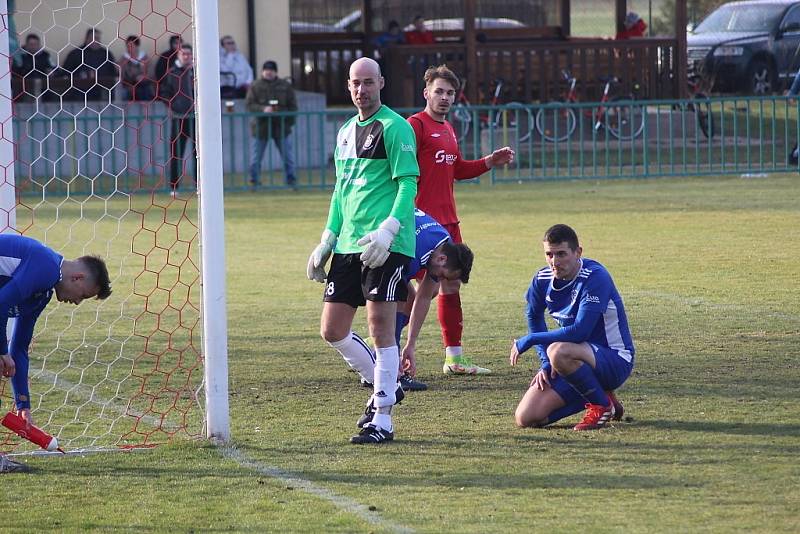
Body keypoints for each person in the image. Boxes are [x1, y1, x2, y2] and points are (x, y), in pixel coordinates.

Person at [306, 57, 419, 445]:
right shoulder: (342, 133)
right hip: (350, 246)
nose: (361, 90)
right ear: (348, 85)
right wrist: (327, 238)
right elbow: (341, 191)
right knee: (332, 329)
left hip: (387, 245)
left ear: (381, 83)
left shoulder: (395, 127)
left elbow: (407, 184)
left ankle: (383, 419)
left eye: (368, 82)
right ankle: (385, 384)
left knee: (380, 328)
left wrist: (390, 229)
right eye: (356, 83)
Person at [408, 64, 514, 375]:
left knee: (450, 286)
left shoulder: (449, 129)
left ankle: (454, 358)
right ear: (426, 92)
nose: (444, 97)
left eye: (450, 93)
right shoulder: (415, 126)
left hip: (449, 224)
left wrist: (488, 162)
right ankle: (391, 353)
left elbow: (455, 170)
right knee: (410, 291)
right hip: (422, 225)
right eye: (438, 91)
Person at [0, 234, 112, 473]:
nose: (78, 302)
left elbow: (19, 347)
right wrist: (1, 351)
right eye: (83, 295)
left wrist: (23, 403)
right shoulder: (46, 266)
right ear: (77, 277)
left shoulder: (43, 292)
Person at [509, 224, 634, 431]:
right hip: (573, 362)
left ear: (578, 253)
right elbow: (533, 315)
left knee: (558, 351)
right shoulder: (542, 279)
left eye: (561, 254)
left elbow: (580, 331)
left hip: (615, 359)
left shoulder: (595, 277)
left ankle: (600, 405)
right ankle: (603, 397)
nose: (554, 262)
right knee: (526, 418)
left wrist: (531, 340)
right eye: (549, 254)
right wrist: (545, 364)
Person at [398, 209, 474, 384]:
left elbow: (423, 298)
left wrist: (410, 343)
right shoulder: (415, 253)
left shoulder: (442, 242)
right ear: (442, 259)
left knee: (407, 299)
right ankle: (387, 368)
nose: (440, 281)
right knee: (396, 302)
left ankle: (385, 354)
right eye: (443, 276)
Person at [245, 60, 298, 190]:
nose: (268, 72)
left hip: (281, 126)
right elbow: (249, 105)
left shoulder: (285, 86)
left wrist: (285, 119)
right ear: (262, 71)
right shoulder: (255, 86)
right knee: (256, 157)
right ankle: (254, 180)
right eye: (266, 70)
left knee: (288, 157)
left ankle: (291, 180)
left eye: (271, 70)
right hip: (260, 127)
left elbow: (293, 107)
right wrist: (263, 109)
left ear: (276, 72)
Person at [161, 44, 196, 195]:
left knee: (198, 153)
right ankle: (174, 187)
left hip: (195, 118)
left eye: (189, 54)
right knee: (176, 153)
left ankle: (199, 185)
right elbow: (163, 92)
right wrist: (171, 107)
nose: (187, 56)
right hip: (178, 118)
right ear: (178, 55)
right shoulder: (172, 73)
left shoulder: (196, 72)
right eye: (184, 54)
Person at [61, 28, 117, 101]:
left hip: (102, 89)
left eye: (98, 38)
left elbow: (113, 72)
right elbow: (66, 72)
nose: (97, 41)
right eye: (95, 38)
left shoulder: (106, 54)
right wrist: (83, 74)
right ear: (87, 39)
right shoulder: (76, 53)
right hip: (80, 90)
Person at [118, 35, 154, 102]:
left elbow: (151, 73)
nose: (129, 48)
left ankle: (146, 110)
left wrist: (143, 77)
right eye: (127, 46)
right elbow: (121, 75)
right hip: (128, 86)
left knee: (144, 89)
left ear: (137, 46)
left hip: (144, 85)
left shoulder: (145, 58)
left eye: (131, 46)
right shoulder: (123, 59)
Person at [155, 34, 182, 101]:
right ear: (171, 44)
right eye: (176, 43)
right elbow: (159, 71)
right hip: (168, 83)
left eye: (180, 42)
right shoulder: (165, 56)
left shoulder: (185, 55)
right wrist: (169, 71)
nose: (178, 45)